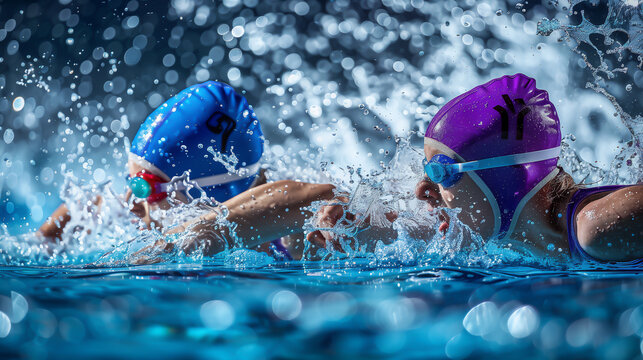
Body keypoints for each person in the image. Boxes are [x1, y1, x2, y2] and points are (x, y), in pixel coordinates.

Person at [166, 74, 642, 264]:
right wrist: (196, 235)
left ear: (504, 178)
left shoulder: (595, 228)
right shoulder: (470, 231)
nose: (421, 189)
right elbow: (317, 199)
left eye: (442, 172)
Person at [37, 81, 299, 259]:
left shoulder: (290, 246)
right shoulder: (140, 216)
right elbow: (91, 207)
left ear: (207, 194)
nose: (131, 203)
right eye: (130, 180)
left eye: (146, 188)